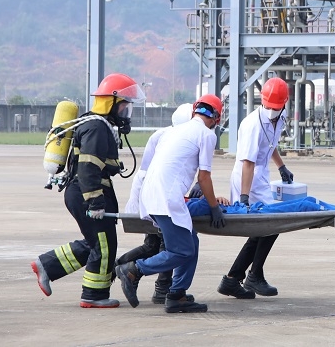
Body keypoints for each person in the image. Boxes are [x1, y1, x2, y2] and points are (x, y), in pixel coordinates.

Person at [31, 73, 145, 308]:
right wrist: (95, 203)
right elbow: (88, 169)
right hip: (86, 193)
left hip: (85, 192)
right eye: (124, 107)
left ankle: (47, 265)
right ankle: (94, 296)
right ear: (110, 103)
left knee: (97, 242)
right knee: (103, 245)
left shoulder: (97, 124)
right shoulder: (96, 127)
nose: (126, 113)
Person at [115, 94, 226, 314]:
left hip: (152, 195)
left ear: (195, 111)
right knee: (183, 251)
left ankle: (177, 295)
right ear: (216, 119)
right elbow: (204, 178)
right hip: (167, 198)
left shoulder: (174, 131)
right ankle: (134, 270)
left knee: (190, 240)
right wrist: (214, 208)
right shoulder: (206, 135)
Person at [217, 77, 295, 299]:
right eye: (268, 107)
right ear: (263, 102)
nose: (271, 111)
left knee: (265, 228)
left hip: (260, 176)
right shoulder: (252, 124)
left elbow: (271, 145)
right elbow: (248, 163)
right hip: (246, 177)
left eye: (276, 108)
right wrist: (243, 196)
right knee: (269, 224)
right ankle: (251, 276)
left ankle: (236, 278)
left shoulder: (280, 117)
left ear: (284, 104)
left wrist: (282, 167)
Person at [115, 103, 192, 305]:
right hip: (153, 196)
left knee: (157, 245)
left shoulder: (171, 135)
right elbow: (149, 173)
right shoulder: (168, 137)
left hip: (155, 195)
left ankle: (150, 284)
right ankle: (122, 270)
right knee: (161, 245)